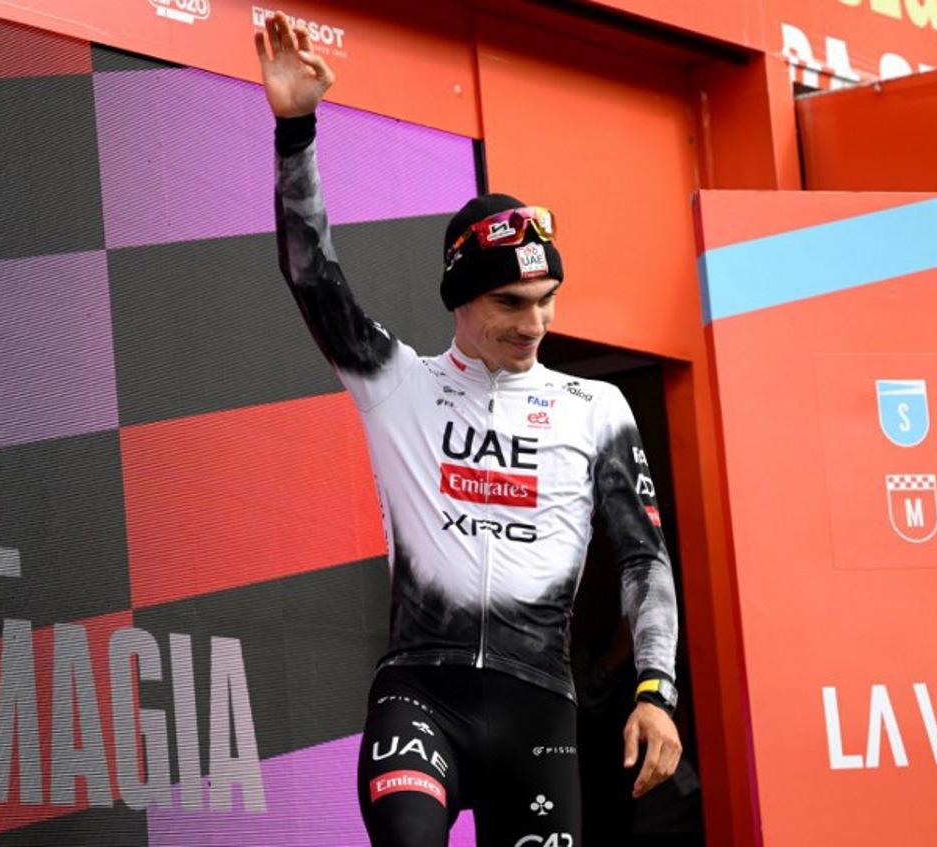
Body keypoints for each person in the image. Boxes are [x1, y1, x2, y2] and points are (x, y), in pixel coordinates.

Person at [256, 13, 681, 846]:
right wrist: (295, 130)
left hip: (539, 710)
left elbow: (644, 558)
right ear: (461, 299)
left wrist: (655, 691)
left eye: (547, 301)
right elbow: (311, 273)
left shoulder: (596, 408)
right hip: (422, 692)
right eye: (510, 303)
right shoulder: (398, 383)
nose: (535, 323)